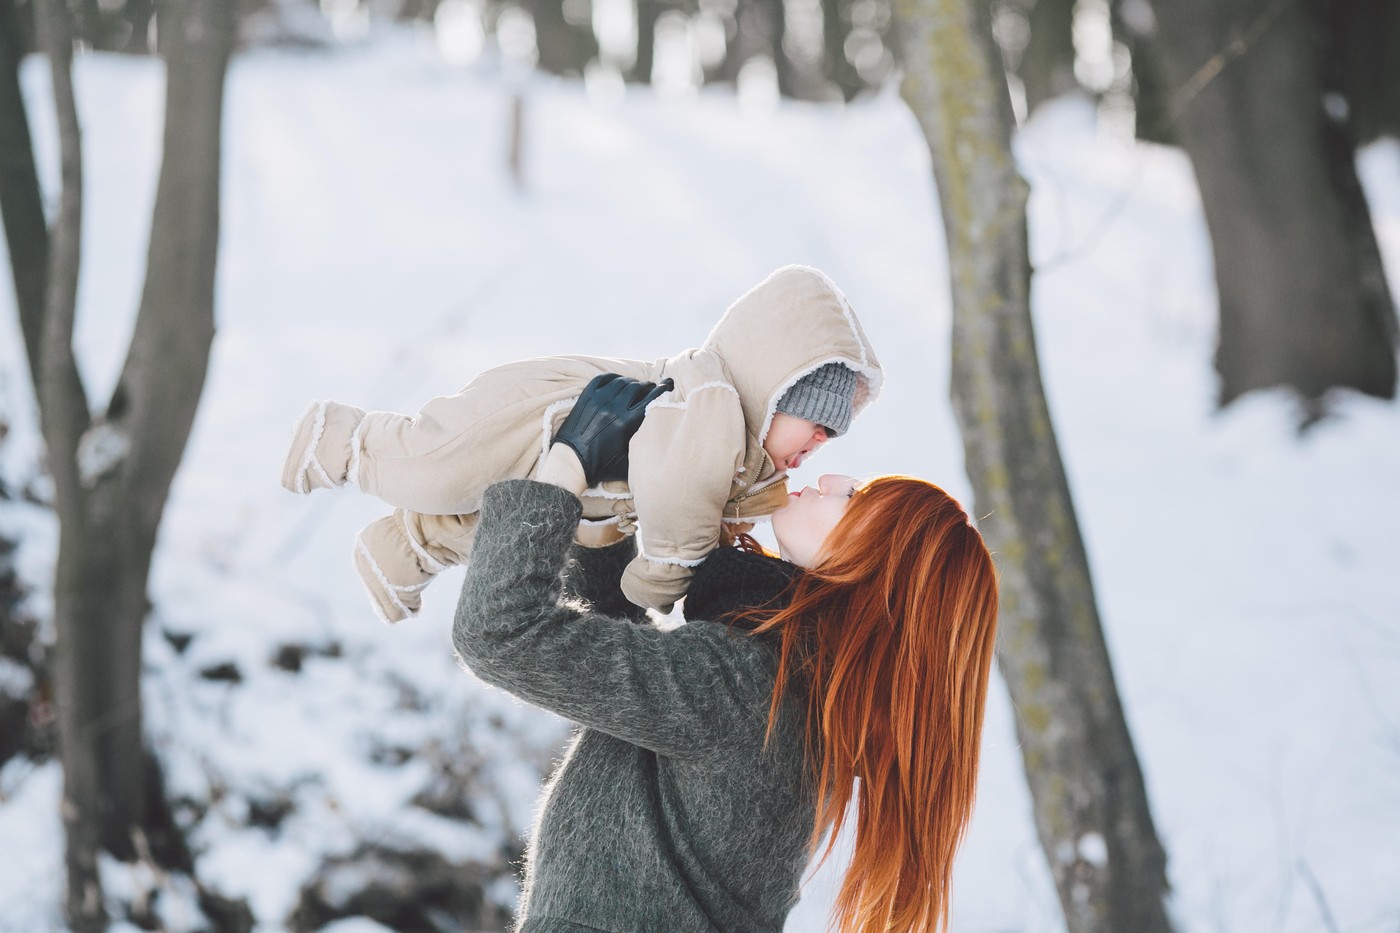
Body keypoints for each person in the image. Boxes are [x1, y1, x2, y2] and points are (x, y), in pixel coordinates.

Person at [453, 374, 1000, 933]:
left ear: (876, 575)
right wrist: (606, 499)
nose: (833, 476)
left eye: (856, 498)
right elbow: (618, 657)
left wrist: (566, 468)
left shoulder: (750, 687)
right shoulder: (786, 688)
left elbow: (501, 634)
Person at [280, 264, 883, 622]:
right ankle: (338, 441)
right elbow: (678, 493)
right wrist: (666, 574)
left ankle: (401, 553)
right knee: (435, 465)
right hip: (543, 414)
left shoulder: (750, 465)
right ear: (773, 390)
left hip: (592, 488)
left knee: (491, 521)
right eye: (816, 424)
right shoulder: (713, 402)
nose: (821, 446)